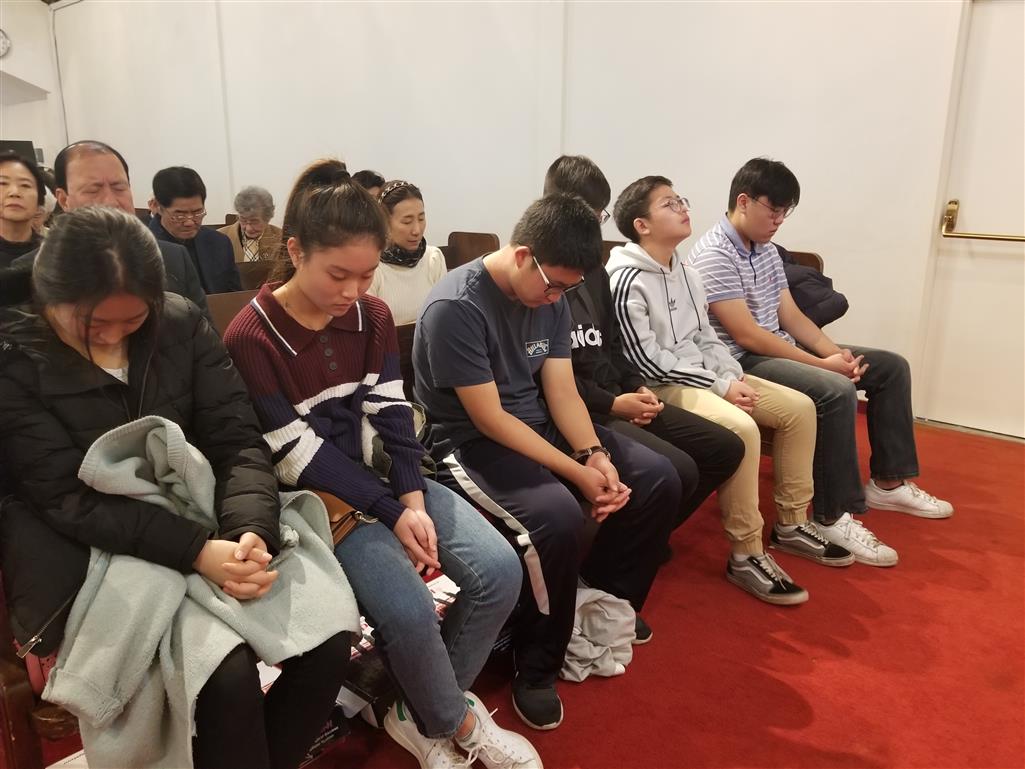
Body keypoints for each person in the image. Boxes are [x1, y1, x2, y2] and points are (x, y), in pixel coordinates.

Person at [0, 206, 353, 769]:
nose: (113, 337)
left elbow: (236, 439)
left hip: (205, 513)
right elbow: (64, 498)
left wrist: (250, 531)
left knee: (328, 636)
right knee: (224, 673)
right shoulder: (16, 358)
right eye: (93, 325)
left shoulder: (179, 323)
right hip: (98, 547)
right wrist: (196, 551)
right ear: (48, 298)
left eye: (133, 320)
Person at [224, 159, 541, 769]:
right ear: (295, 250)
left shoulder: (369, 315)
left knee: (500, 570)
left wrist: (412, 498)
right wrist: (393, 511)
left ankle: (415, 709)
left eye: (366, 275)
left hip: (384, 481)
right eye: (337, 274)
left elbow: (392, 410)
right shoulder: (251, 336)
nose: (353, 292)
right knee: (407, 610)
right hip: (319, 502)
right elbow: (294, 452)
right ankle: (452, 719)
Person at [413, 193, 681, 730]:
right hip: (467, 442)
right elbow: (490, 419)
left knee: (658, 478)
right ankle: (536, 666)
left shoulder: (551, 295)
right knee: (556, 517)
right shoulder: (457, 307)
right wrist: (576, 472)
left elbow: (560, 389)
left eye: (567, 289)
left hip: (533, 423)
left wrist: (593, 454)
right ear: (523, 256)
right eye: (553, 286)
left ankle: (596, 596)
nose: (557, 298)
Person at [688, 158, 953, 566]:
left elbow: (791, 316)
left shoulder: (764, 249)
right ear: (743, 201)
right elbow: (747, 336)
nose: (779, 221)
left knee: (890, 367)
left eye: (785, 212)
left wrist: (832, 353)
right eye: (773, 210)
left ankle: (888, 483)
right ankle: (832, 514)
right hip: (743, 361)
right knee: (835, 389)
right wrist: (825, 368)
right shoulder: (713, 254)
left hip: (777, 346)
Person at [608, 175, 855, 604]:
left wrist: (731, 375)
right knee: (742, 427)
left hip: (707, 375)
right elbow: (646, 361)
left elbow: (706, 337)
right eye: (669, 204)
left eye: (681, 200)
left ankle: (792, 522)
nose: (683, 208)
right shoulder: (626, 278)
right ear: (641, 225)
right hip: (661, 385)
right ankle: (746, 551)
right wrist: (721, 386)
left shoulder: (685, 272)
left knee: (799, 408)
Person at [543, 155, 745, 535]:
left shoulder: (595, 271)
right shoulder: (545, 280)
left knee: (725, 447)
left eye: (599, 216)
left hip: (617, 394)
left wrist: (635, 386)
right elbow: (552, 381)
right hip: (585, 406)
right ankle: (629, 543)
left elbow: (614, 345)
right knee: (674, 469)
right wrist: (614, 403)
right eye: (592, 215)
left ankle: (646, 535)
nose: (595, 226)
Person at [10, 140, 211, 321]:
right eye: (93, 190)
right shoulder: (31, 272)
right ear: (64, 200)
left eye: (119, 187)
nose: (111, 201)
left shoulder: (174, 258)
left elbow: (205, 337)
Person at [150, 166, 241, 294]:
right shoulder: (144, 250)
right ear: (157, 207)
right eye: (179, 215)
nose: (189, 222)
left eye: (197, 212)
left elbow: (235, 297)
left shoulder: (219, 243)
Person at [368, 180, 447, 325]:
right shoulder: (372, 266)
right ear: (384, 222)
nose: (417, 230)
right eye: (407, 222)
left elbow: (444, 316)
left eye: (421, 219)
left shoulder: (433, 258)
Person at [0, 151, 45, 266]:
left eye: (25, 185)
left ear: (39, 202)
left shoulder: (52, 253)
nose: (15, 192)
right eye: (3, 183)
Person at [219, 185, 284, 263]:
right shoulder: (219, 238)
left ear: (267, 219)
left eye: (254, 222)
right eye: (243, 220)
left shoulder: (281, 239)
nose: (248, 228)